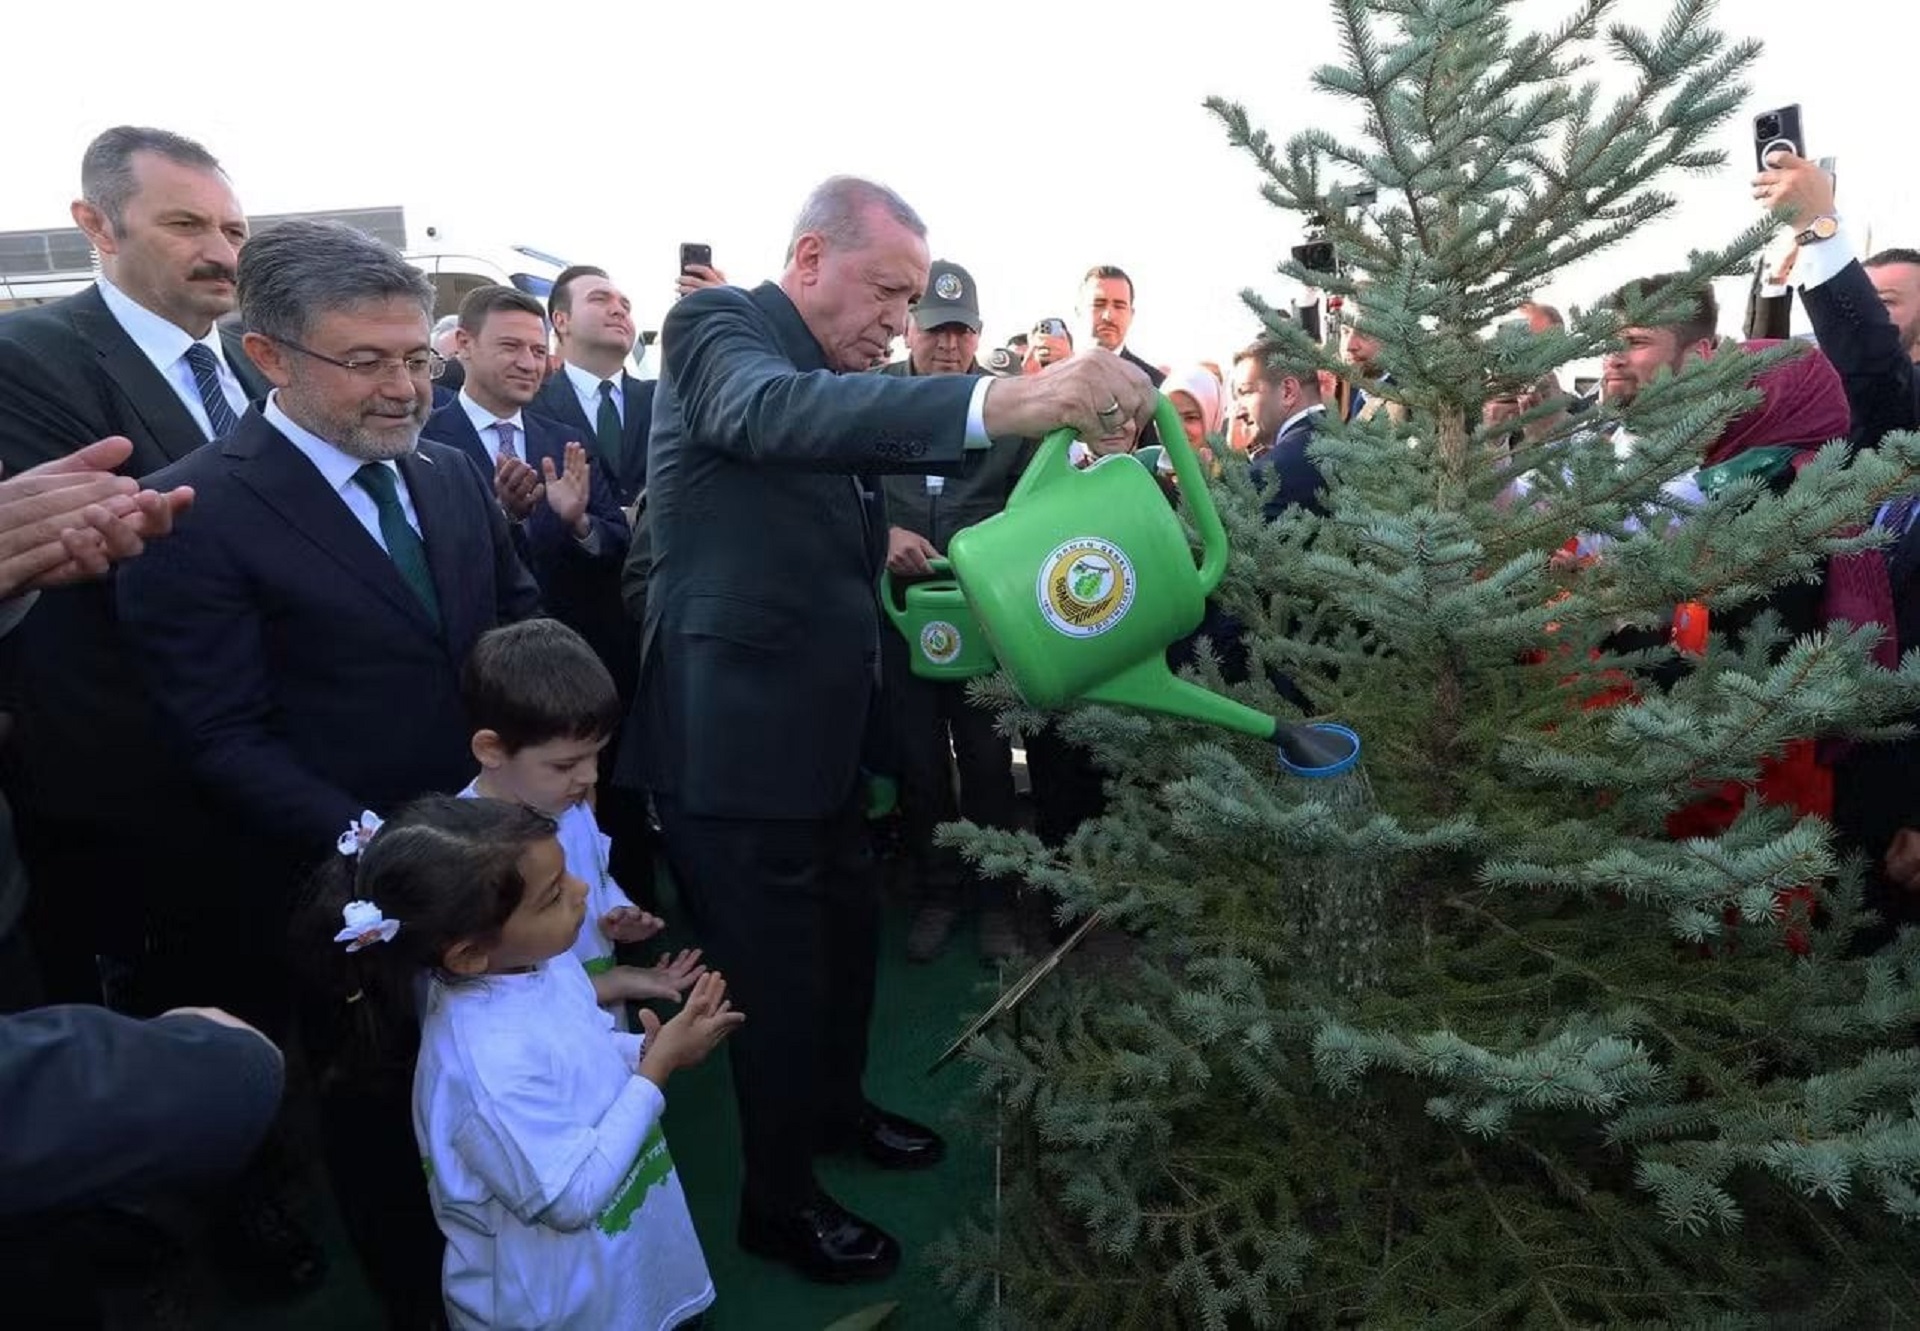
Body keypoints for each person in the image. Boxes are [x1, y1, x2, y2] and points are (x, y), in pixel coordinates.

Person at [637, 173, 1154, 1281]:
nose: (899, 318)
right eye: (888, 289)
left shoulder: (836, 373)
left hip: (822, 736)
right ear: (811, 258)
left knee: (841, 951)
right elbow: (760, 418)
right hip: (734, 744)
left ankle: (834, 1112)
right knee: (772, 984)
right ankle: (776, 1202)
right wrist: (1012, 397)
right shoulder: (717, 325)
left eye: (913, 296)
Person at [116, 217, 542, 1326]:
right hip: (351, 897)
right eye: (368, 361)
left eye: (417, 357)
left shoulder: (450, 475)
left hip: (497, 864)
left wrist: (539, 758)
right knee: (390, 1136)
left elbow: (512, 629)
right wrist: (388, 852)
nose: (406, 389)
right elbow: (218, 736)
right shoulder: (195, 511)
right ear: (269, 355)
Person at [299, 796, 741, 1330]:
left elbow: (585, 1048)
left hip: (612, 1269)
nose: (581, 891)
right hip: (560, 1306)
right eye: (554, 894)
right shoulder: (485, 1068)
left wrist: (645, 1051)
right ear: (466, 954)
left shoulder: (540, 964)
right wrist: (656, 1073)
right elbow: (570, 1197)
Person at [877, 259, 1030, 963]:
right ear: (910, 325)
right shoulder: (868, 402)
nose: (948, 345)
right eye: (936, 329)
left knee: (990, 761)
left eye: (961, 330)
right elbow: (835, 495)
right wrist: (879, 537)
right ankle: (940, 891)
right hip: (898, 619)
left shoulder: (1007, 413)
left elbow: (1036, 508)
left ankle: (997, 899)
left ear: (978, 334)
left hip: (982, 623)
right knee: (918, 764)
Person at [458, 619, 704, 1013]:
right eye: (565, 764)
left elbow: (594, 871)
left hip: (598, 1019)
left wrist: (615, 909)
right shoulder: (467, 850)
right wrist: (613, 982)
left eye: (596, 754)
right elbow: (493, 994)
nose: (590, 776)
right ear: (491, 749)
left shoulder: (569, 803)